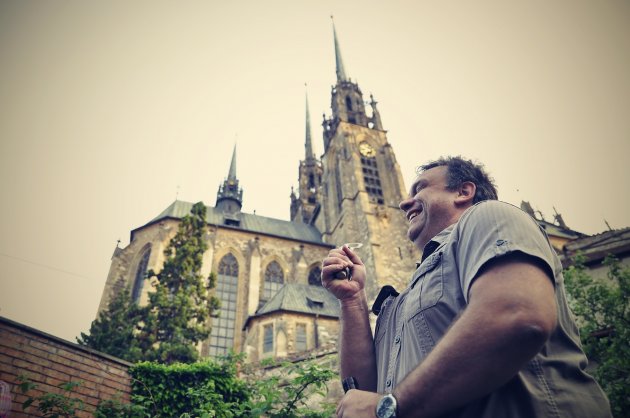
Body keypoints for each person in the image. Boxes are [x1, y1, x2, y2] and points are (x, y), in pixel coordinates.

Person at [322, 156, 611, 417]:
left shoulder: (489, 215)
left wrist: (392, 405)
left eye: (420, 189)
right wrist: (352, 300)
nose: (404, 203)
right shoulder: (402, 300)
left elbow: (517, 315)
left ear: (463, 192)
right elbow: (363, 396)